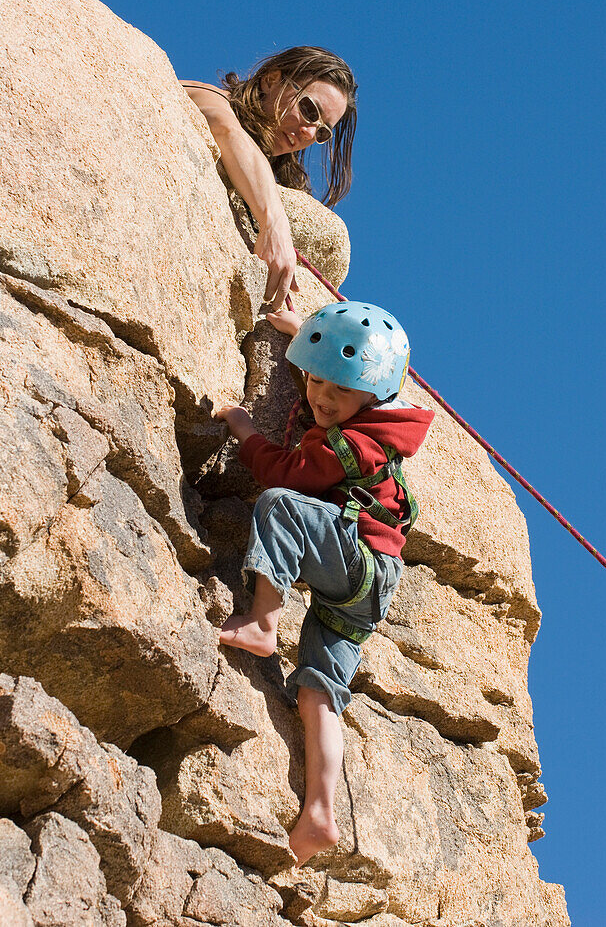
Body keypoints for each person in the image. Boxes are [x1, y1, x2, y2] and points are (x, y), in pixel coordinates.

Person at [214, 302, 434, 865]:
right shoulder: (367, 419)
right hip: (368, 583)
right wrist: (299, 336)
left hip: (357, 560)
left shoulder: (353, 443)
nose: (319, 396)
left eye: (337, 388)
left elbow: (287, 473)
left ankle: (263, 620)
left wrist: (243, 428)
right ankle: (320, 811)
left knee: (282, 505)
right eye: (313, 377)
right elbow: (334, 385)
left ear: (372, 393)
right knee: (319, 689)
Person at [181, 47, 358, 310]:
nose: (309, 133)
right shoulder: (209, 96)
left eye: (322, 132)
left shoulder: (275, 177)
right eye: (309, 109)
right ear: (272, 80)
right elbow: (225, 128)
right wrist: (274, 223)